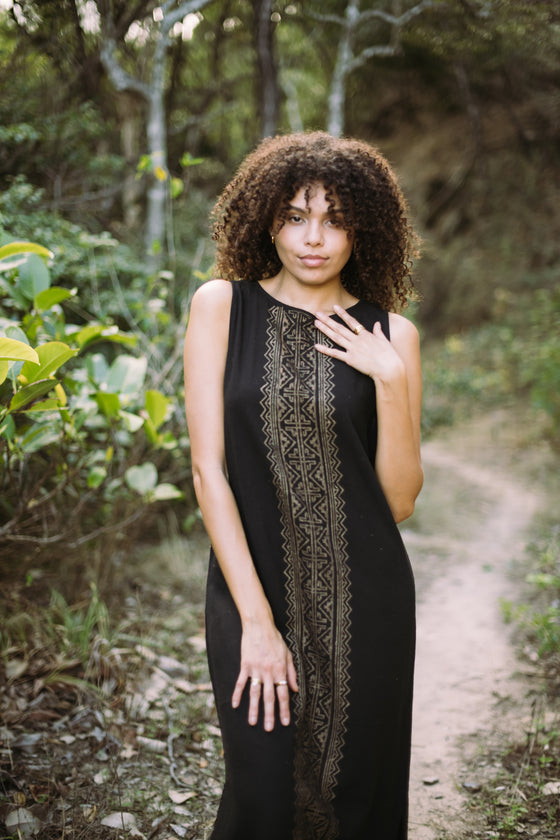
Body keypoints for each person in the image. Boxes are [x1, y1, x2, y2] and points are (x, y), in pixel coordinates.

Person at [183, 131, 423, 840]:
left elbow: (401, 502)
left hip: (368, 606)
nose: (313, 239)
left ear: (364, 228)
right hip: (251, 594)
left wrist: (389, 380)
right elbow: (209, 470)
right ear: (266, 220)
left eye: (335, 219)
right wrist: (257, 624)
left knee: (356, 804)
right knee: (262, 798)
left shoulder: (394, 336)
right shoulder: (222, 306)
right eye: (294, 216)